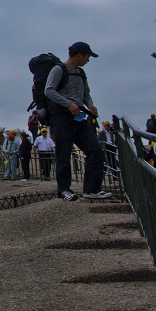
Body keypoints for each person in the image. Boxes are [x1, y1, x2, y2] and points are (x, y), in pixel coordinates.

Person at [44, 41, 111, 201]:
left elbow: (85, 93)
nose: (88, 60)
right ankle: (64, 190)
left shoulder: (81, 73)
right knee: (63, 153)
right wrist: (68, 104)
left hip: (80, 117)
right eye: (88, 57)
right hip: (61, 117)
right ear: (80, 55)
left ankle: (92, 189)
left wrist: (90, 104)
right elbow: (48, 90)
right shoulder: (58, 69)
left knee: (95, 150)